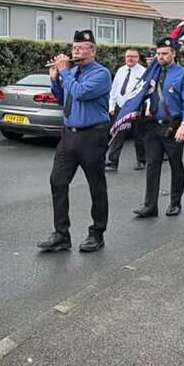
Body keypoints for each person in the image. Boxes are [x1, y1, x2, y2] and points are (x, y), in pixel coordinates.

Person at [37, 30, 112, 253]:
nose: (75, 50)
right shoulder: (73, 71)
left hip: (92, 135)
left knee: (95, 185)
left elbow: (80, 93)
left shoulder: (101, 74)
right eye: (73, 47)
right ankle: (61, 234)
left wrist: (64, 72)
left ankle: (97, 233)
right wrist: (55, 79)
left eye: (81, 47)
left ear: (93, 50)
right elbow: (64, 99)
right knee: (57, 181)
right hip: (68, 135)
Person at [133, 36, 184, 218]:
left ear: (173, 54)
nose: (160, 57)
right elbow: (143, 94)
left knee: (176, 165)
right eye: (158, 53)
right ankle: (150, 205)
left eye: (164, 54)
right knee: (152, 165)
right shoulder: (152, 73)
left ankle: (175, 202)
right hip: (153, 126)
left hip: (173, 126)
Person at [106, 48, 146, 171]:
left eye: (133, 56)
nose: (130, 58)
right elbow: (114, 89)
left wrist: (148, 107)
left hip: (135, 107)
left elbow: (146, 91)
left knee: (138, 136)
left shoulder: (144, 72)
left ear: (138, 58)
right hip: (120, 107)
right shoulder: (121, 70)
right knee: (118, 134)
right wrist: (111, 106)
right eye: (128, 56)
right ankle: (112, 162)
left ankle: (142, 161)